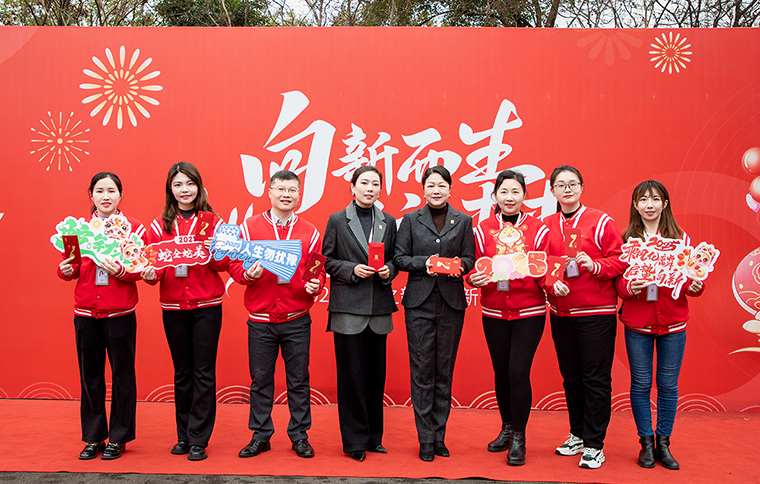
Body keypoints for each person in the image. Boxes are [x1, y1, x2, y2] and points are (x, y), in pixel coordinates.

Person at [229, 170, 325, 459]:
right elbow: (234, 265)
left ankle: (300, 436)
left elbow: (316, 270)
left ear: (299, 195)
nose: (286, 195)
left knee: (299, 380)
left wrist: (316, 285)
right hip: (261, 321)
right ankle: (260, 435)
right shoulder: (249, 229)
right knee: (260, 380)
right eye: (281, 189)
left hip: (297, 318)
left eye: (292, 190)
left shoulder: (310, 231)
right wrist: (247, 274)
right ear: (269, 192)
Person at [141, 162, 228, 461]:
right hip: (173, 307)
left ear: (199, 187)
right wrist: (149, 275)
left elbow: (223, 264)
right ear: (170, 189)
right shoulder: (158, 226)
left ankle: (199, 439)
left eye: (190, 184)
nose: (185, 190)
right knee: (182, 372)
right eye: (178, 184)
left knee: (203, 371)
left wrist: (214, 251)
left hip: (207, 307)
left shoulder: (213, 222)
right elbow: (152, 268)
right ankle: (183, 435)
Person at [57, 172, 146, 460]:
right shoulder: (78, 229)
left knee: (122, 375)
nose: (105, 196)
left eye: (111, 191)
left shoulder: (133, 228)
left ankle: (119, 437)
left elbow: (140, 268)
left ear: (121, 195)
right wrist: (65, 271)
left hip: (120, 312)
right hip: (85, 313)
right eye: (99, 191)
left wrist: (121, 271)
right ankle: (94, 436)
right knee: (90, 376)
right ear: (91, 195)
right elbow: (70, 266)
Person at [617, 180, 704, 470]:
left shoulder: (680, 239)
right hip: (638, 325)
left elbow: (691, 280)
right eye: (643, 200)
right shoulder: (626, 240)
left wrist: (695, 285)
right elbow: (618, 283)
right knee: (641, 384)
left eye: (655, 199)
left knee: (668, 385)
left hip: (673, 324)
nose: (650, 205)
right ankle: (645, 443)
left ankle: (663, 443)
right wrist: (629, 286)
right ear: (635, 205)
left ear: (665, 204)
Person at [544, 165, 626, 469]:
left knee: (595, 378)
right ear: (552, 190)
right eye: (561, 185)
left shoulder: (601, 221)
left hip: (596, 313)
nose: (567, 189)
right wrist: (552, 284)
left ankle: (594, 444)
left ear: (581, 187)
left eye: (572, 184)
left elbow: (620, 261)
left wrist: (595, 266)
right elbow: (542, 265)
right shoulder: (547, 225)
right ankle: (577, 434)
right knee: (572, 377)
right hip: (561, 312)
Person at [393, 166, 476, 462]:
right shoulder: (410, 220)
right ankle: (425, 438)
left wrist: (459, 266)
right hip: (419, 304)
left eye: (442, 185)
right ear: (423, 190)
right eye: (431, 185)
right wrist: (424, 263)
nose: (436, 190)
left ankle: (440, 436)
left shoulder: (463, 220)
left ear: (450, 190)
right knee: (422, 371)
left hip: (451, 303)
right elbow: (399, 258)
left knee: (444, 371)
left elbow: (470, 258)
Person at [467, 170, 549, 466]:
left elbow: (546, 268)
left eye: (515, 191)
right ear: (495, 196)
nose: (509, 197)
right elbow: (472, 267)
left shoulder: (539, 229)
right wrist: (472, 278)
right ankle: (507, 427)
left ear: (524, 195)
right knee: (501, 372)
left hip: (529, 311)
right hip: (494, 311)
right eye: (504, 192)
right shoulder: (482, 229)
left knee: (517, 371)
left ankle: (519, 438)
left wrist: (554, 284)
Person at [322, 166, 398, 462]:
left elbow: (395, 259)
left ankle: (374, 438)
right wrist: (351, 269)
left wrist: (388, 270)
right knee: (351, 378)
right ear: (352, 187)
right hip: (348, 308)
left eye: (375, 184)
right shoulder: (337, 220)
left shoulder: (388, 221)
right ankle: (354, 440)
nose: (370, 188)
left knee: (376, 378)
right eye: (364, 183)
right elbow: (327, 260)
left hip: (378, 310)